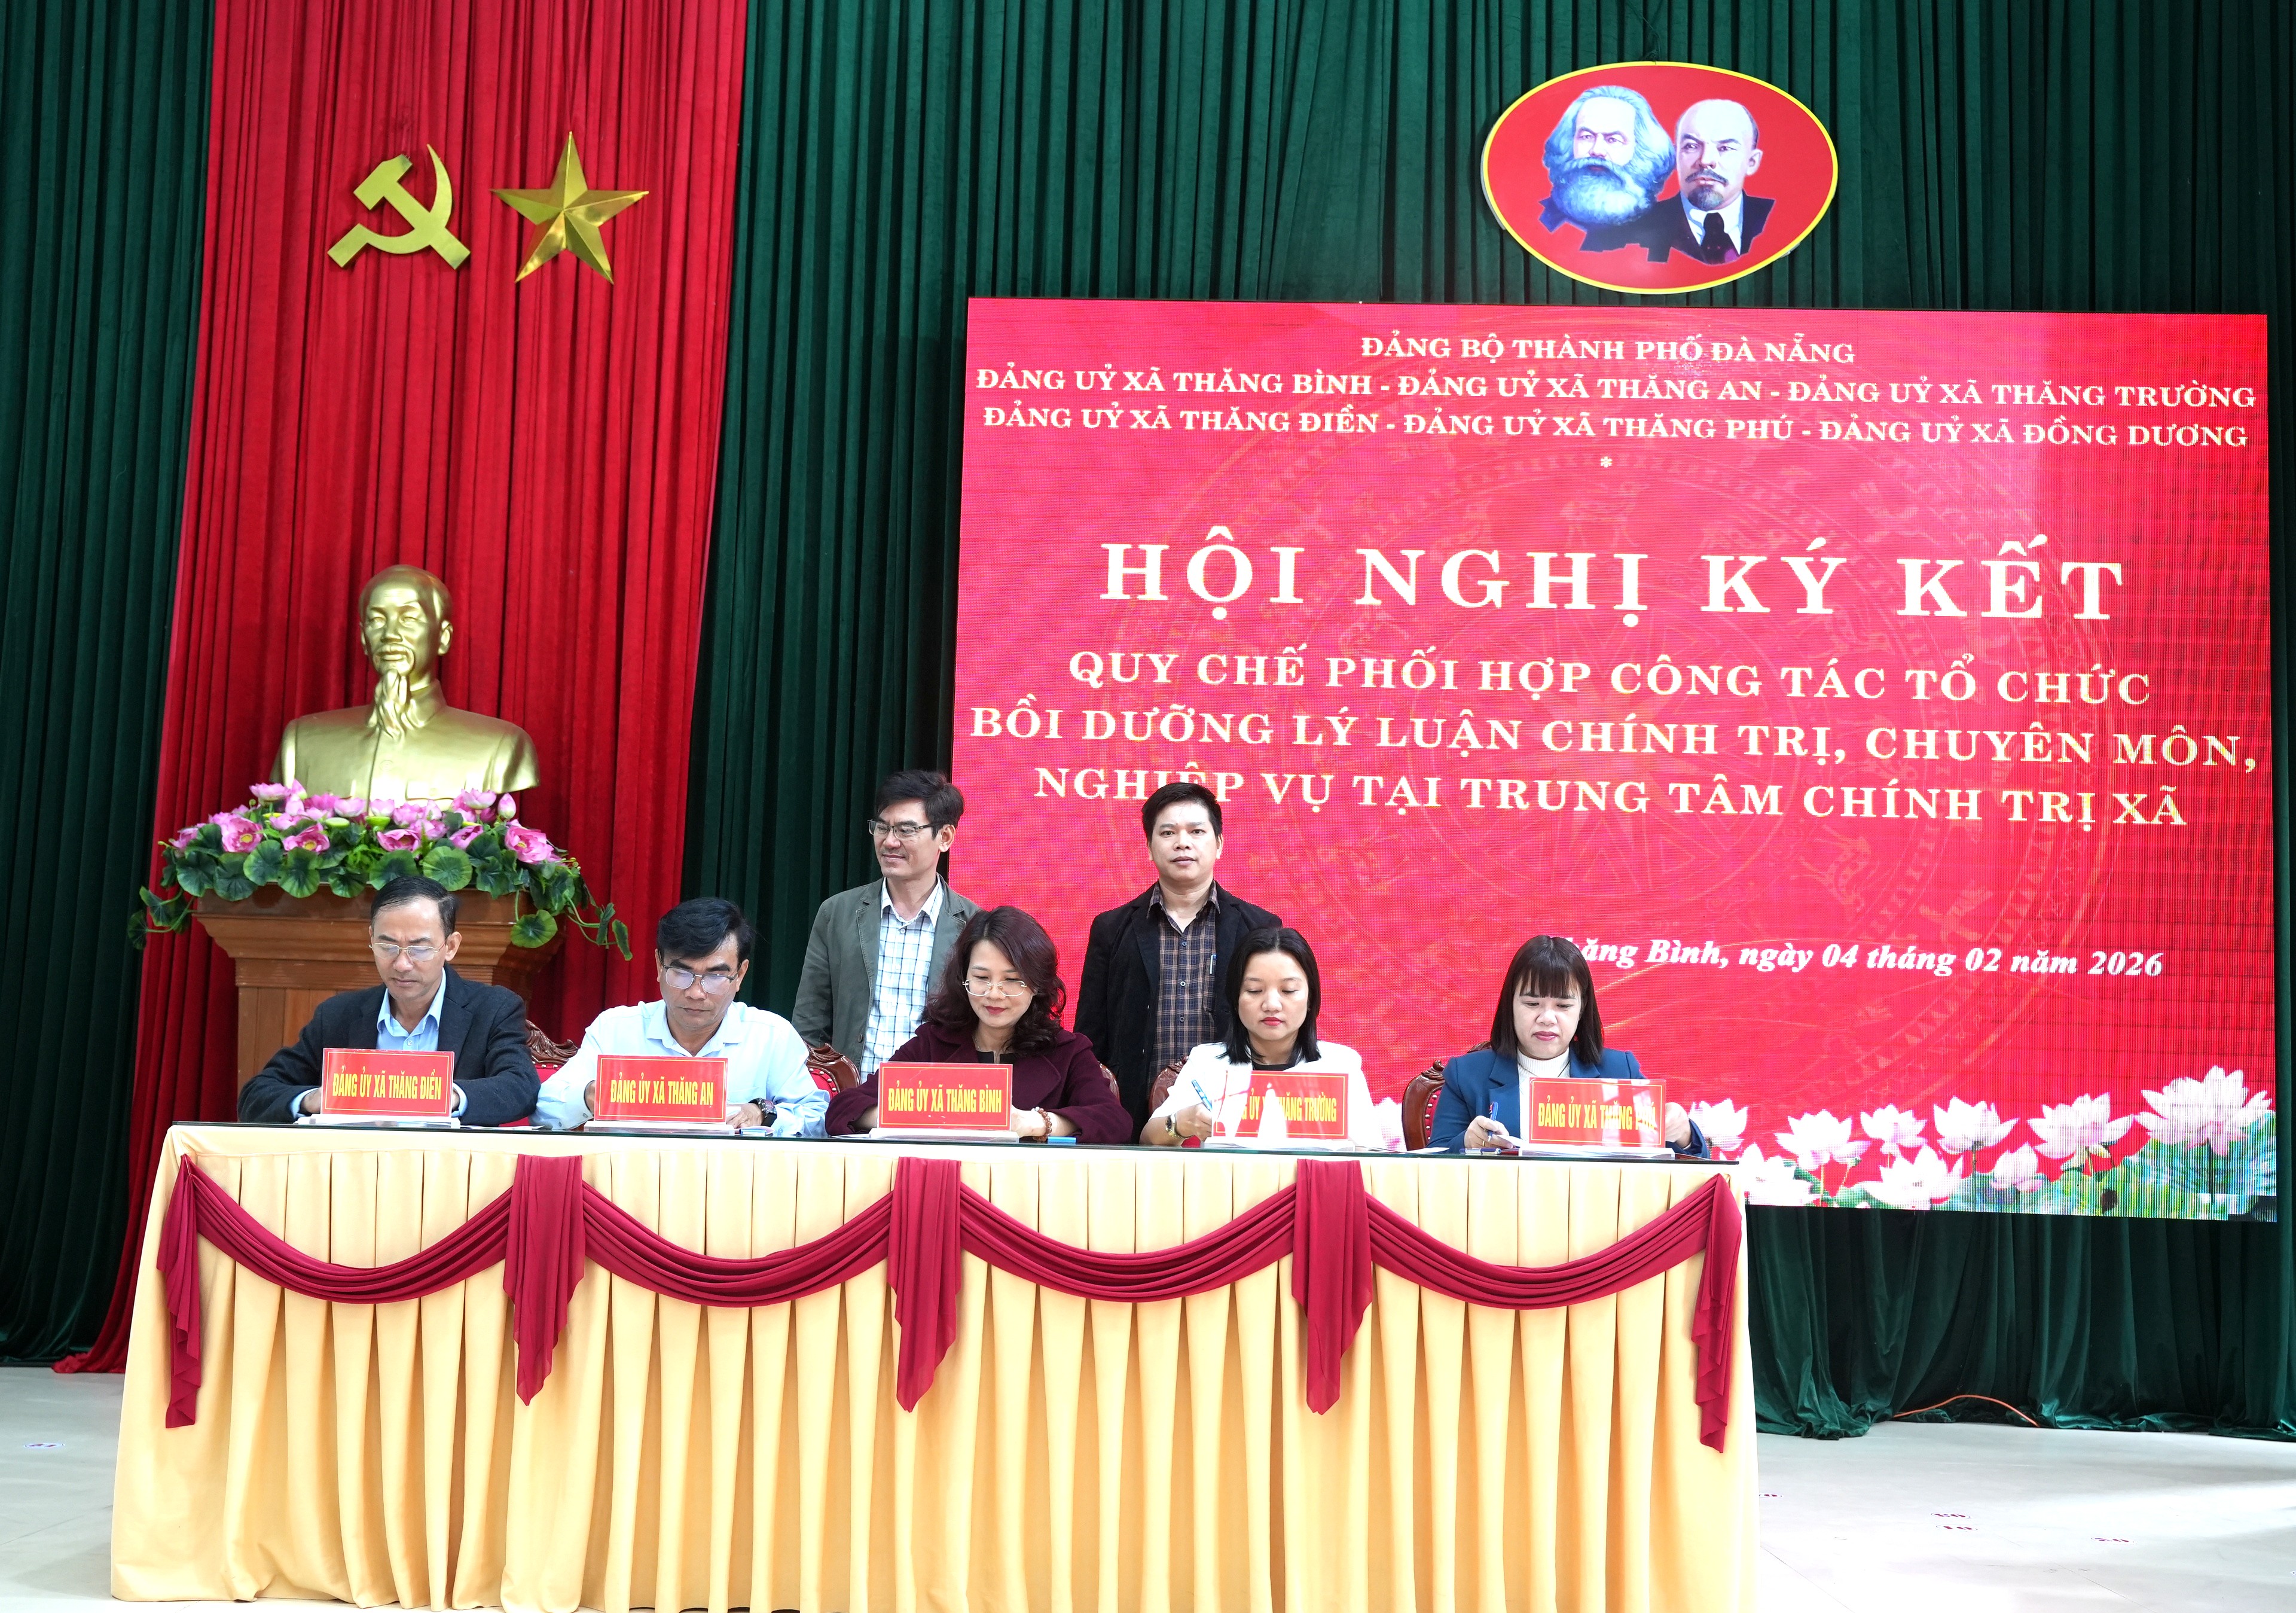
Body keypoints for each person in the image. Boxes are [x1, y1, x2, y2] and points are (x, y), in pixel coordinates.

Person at [237, 874, 539, 1124]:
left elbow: (520, 1087)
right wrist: (315, 1099)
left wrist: (442, 1097)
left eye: (420, 948)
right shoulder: (339, 1015)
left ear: (450, 946)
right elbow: (257, 1096)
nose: (402, 964)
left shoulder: (493, 1008)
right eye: (388, 946)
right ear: (371, 939)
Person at [1074, 780, 1282, 1136]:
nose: (1182, 842)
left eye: (1196, 831)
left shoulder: (1259, 928)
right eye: (1168, 832)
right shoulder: (1112, 929)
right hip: (1132, 1121)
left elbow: (1279, 1030)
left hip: (1233, 1118)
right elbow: (1091, 1036)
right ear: (1150, 847)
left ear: (1219, 844)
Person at [825, 906, 1132, 1143]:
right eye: (982, 978)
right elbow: (844, 1109)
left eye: (1012, 981)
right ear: (964, 978)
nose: (994, 994)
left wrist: (1035, 1123)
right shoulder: (933, 1043)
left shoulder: (1068, 1051)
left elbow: (1114, 1122)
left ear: (1037, 985)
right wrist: (917, 1115)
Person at [535, 898, 825, 1133]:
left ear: (740, 975)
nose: (696, 993)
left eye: (715, 977)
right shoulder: (616, 1030)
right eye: (681, 973)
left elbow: (818, 1119)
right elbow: (545, 1109)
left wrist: (763, 1113)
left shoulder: (771, 1035)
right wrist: (591, 1096)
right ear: (659, 966)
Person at [271, 563, 539, 801]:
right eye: (377, 620)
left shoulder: (500, 745)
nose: (390, 634)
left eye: (409, 618)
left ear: (443, 638)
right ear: (364, 639)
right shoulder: (303, 741)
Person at [1431, 935, 1708, 1155]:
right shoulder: (1467, 1075)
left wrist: (1683, 1133)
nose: (1547, 1018)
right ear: (1510, 1005)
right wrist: (1466, 1143)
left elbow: (1685, 1164)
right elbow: (1433, 1162)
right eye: (1532, 1003)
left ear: (1582, 1009)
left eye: (1563, 1006)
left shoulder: (1620, 1070)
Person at [793, 769, 982, 1077]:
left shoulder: (974, 926)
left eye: (906, 830)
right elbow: (810, 1023)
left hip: (936, 1096)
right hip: (852, 1096)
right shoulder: (837, 913)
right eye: (882, 827)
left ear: (945, 837)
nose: (890, 842)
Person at [1143, 927, 1384, 1149]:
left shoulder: (1340, 1065)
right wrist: (1182, 1123)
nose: (1271, 1005)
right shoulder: (1208, 1062)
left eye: (1288, 991)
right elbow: (1149, 1139)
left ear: (1311, 998)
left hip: (1313, 1183)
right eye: (1255, 991)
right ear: (1236, 998)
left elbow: (1372, 1153)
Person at [1611, 98, 1772, 265]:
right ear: (1676, 157)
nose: (1705, 160)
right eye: (1691, 146)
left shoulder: (1777, 220)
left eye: (1725, 148)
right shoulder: (1630, 228)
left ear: (1752, 162)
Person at [1536, 84, 1677, 245]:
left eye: (1613, 140)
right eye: (1587, 137)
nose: (1597, 150)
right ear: (1569, 142)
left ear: (1641, 150)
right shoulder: (1540, 218)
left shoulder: (1666, 230)